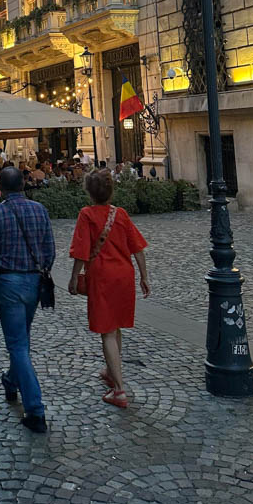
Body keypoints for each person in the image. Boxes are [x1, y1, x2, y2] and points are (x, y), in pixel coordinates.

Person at [0, 166, 55, 433]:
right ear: (23, 185)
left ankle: (35, 410)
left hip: (8, 282)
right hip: (34, 282)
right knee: (22, 339)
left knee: (18, 345)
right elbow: (50, 250)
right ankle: (11, 381)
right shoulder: (40, 210)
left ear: (1, 189)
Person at [67, 169, 150, 409]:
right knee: (116, 327)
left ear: (89, 192)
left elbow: (81, 251)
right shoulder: (120, 214)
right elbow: (137, 248)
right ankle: (110, 371)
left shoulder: (87, 215)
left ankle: (119, 390)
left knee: (107, 332)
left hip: (102, 277)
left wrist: (74, 278)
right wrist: (144, 277)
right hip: (124, 276)